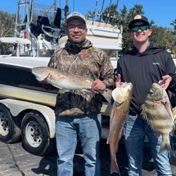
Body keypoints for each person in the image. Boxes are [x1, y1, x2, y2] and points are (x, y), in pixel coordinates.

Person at [47, 12, 114, 176]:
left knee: (92, 158)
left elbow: (111, 77)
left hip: (90, 116)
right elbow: (51, 83)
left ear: (86, 29)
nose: (76, 30)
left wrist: (104, 83)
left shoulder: (99, 54)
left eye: (79, 26)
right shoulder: (57, 55)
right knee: (64, 159)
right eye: (71, 26)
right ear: (66, 29)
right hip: (63, 116)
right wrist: (45, 81)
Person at [116, 15, 176, 176]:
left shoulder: (162, 55)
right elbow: (118, 84)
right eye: (135, 28)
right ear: (130, 34)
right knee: (133, 164)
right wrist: (117, 86)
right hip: (132, 118)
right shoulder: (124, 59)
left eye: (143, 27)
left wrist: (170, 80)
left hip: (157, 117)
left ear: (150, 32)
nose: (139, 31)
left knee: (162, 163)